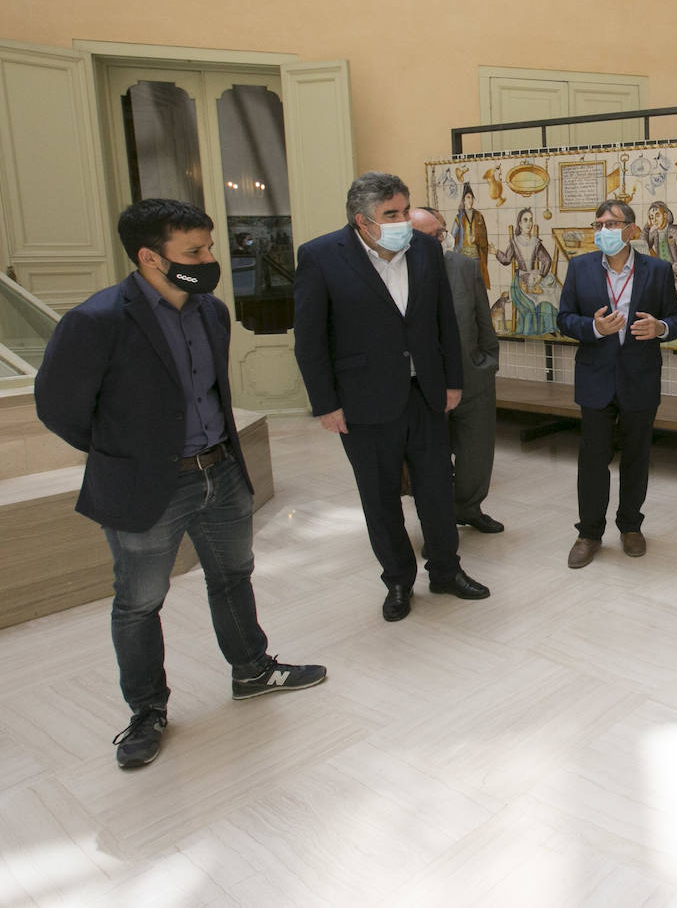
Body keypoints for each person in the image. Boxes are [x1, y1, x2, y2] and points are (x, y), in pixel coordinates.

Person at [34, 198, 326, 770]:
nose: (210, 259)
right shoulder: (96, 321)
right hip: (148, 486)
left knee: (233, 576)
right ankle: (147, 710)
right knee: (140, 602)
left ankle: (252, 670)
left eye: (209, 246)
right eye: (194, 252)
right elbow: (58, 408)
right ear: (149, 257)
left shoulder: (211, 312)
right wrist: (123, 454)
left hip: (219, 471)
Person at [293, 172, 491, 623]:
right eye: (392, 214)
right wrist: (325, 403)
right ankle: (398, 580)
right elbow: (310, 340)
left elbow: (444, 319)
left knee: (437, 488)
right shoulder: (322, 256)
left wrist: (452, 382)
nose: (403, 220)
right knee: (380, 497)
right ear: (363, 221)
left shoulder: (423, 248)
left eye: (405, 210)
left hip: (426, 395)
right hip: (364, 402)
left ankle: (446, 570)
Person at [557, 199, 677, 568]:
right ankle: (589, 533)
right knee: (592, 459)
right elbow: (565, 319)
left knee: (636, 456)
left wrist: (659, 328)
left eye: (611, 225)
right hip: (595, 377)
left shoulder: (657, 271)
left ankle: (631, 526)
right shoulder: (579, 268)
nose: (603, 232)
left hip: (640, 378)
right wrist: (594, 327)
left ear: (631, 230)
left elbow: (676, 321)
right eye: (598, 225)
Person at [411, 207, 503, 534]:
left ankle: (469, 507)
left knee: (477, 453)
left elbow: (482, 318)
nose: (438, 240)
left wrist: (488, 361)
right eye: (428, 235)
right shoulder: (399, 274)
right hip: (425, 386)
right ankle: (437, 523)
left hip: (472, 377)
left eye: (439, 233)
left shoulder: (463, 266)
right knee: (432, 460)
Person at [494, 206, 558, 335]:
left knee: (547, 301)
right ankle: (529, 332)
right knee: (529, 307)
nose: (529, 223)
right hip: (520, 282)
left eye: (530, 220)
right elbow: (506, 260)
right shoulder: (515, 243)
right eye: (525, 220)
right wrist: (495, 252)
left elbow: (547, 260)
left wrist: (541, 275)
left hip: (535, 278)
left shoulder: (536, 242)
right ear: (520, 223)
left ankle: (548, 330)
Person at [643, 200, 677, 293]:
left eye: (657, 215)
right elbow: (643, 244)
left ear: (665, 215)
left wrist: (674, 268)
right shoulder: (654, 233)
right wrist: (647, 226)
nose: (655, 220)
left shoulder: (675, 230)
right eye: (651, 217)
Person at [451, 182, 490, 287]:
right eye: (468, 197)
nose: (470, 200)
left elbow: (484, 236)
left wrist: (477, 238)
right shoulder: (459, 217)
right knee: (465, 285)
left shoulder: (479, 216)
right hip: (463, 256)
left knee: (478, 285)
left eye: (472, 197)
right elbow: (451, 238)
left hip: (477, 256)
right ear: (463, 200)